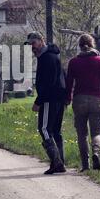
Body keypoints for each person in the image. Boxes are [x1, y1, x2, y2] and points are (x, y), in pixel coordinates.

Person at [65, 34, 100, 172]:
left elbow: (69, 83)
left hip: (79, 100)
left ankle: (85, 165)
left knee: (82, 133)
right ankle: (96, 153)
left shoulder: (73, 62)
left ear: (79, 46)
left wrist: (68, 98)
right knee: (97, 131)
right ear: (92, 44)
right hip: (97, 99)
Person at [25, 32, 66, 175]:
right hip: (59, 98)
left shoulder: (47, 58)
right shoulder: (52, 55)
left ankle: (57, 162)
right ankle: (60, 161)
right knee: (55, 131)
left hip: (51, 98)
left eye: (33, 44)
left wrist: (38, 101)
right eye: (30, 45)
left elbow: (49, 83)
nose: (32, 48)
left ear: (41, 41)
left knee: (44, 129)